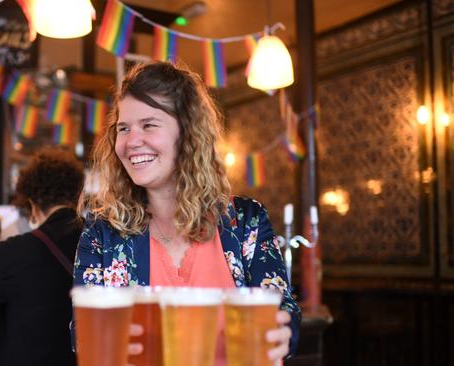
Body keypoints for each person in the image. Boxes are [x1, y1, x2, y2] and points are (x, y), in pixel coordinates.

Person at [73, 61, 301, 364]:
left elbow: (284, 312)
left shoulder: (246, 222)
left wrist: (283, 334)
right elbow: (83, 340)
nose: (130, 141)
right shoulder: (103, 234)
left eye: (149, 125)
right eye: (123, 128)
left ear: (188, 133)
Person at [0, 147, 84, 366]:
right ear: (77, 196)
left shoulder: (13, 252)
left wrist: (8, 345)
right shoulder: (103, 247)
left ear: (33, 204)